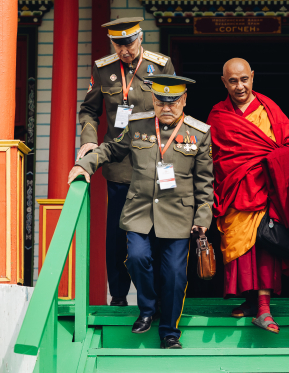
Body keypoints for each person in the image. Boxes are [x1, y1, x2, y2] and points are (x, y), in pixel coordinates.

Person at [69, 75, 213, 349]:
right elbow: (111, 148)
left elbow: (205, 183)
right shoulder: (137, 125)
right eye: (160, 102)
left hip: (177, 215)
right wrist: (86, 164)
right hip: (140, 211)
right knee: (136, 258)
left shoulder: (199, 133)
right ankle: (147, 309)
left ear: (184, 100)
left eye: (173, 102)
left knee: (173, 274)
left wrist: (202, 218)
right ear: (154, 101)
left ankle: (169, 331)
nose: (166, 108)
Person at [207, 58, 289, 334]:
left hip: (266, 188)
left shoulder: (269, 109)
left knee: (265, 245)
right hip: (234, 189)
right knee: (241, 247)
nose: (240, 86)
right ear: (223, 82)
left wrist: (271, 161)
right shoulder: (218, 115)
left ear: (253, 77)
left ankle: (264, 308)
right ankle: (252, 301)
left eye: (244, 79)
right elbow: (215, 157)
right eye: (233, 81)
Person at [77, 17, 175, 307]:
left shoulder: (160, 65)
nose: (125, 51)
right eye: (118, 45)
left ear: (140, 38)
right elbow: (88, 110)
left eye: (129, 44)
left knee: (158, 231)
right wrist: (89, 139)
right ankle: (118, 295)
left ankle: (156, 297)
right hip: (119, 164)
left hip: (155, 162)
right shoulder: (103, 68)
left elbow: (175, 109)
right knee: (119, 233)